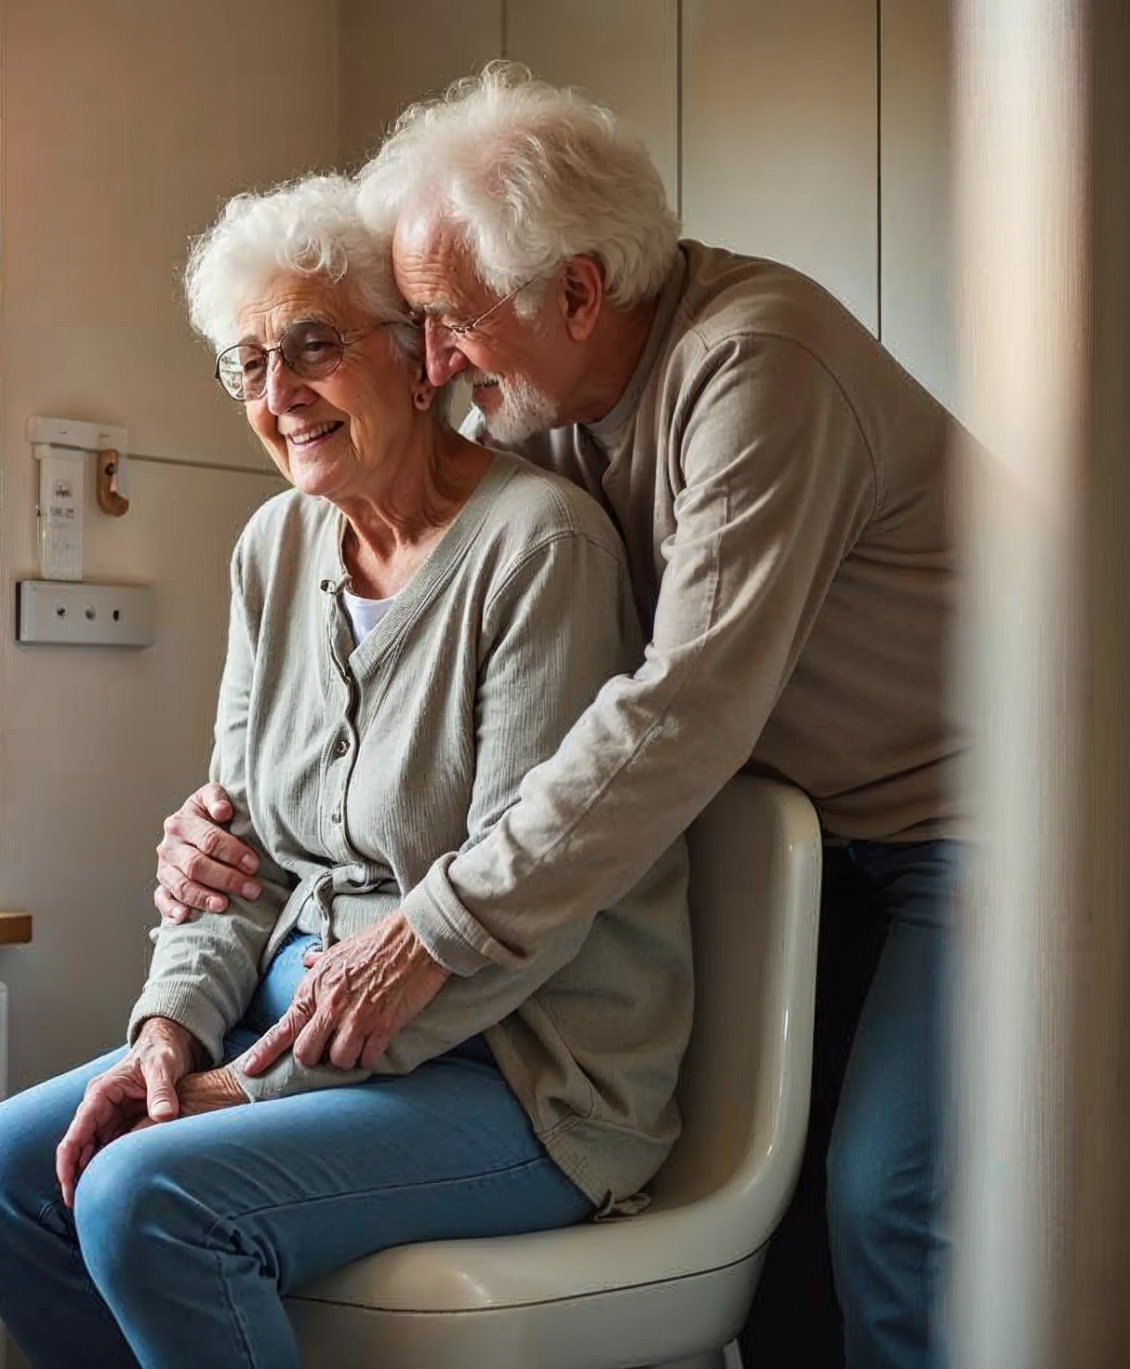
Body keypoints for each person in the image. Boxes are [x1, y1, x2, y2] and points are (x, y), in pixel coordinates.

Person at [150, 66, 967, 1369]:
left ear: (578, 291)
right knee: (796, 1242)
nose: (434, 363)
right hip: (822, 828)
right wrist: (227, 816)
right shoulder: (556, 412)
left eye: (448, 321)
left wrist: (438, 926)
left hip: (978, 826)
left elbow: (686, 705)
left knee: (885, 1202)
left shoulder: (758, 366)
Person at [0, 173, 694, 1369]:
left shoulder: (538, 547)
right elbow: (231, 858)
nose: (278, 393)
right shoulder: (273, 548)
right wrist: (169, 1027)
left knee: (146, 1197)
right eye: (247, 363)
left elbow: (526, 899)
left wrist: (251, 1084)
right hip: (291, 1021)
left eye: (311, 346)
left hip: (519, 1067)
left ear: (417, 356)